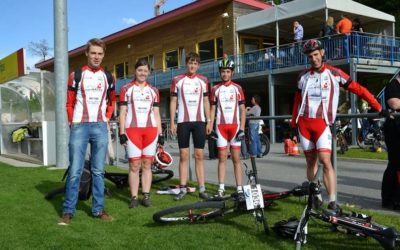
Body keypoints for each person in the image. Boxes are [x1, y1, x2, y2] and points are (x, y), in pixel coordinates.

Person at [290, 39, 382, 212]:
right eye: (310, 56)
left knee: (325, 161)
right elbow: (297, 101)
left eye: (316, 54)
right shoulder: (302, 76)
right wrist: (293, 123)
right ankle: (315, 194)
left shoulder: (335, 73)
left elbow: (358, 89)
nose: (314, 59)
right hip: (304, 123)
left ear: (322, 53)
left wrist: (378, 107)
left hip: (323, 124)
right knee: (310, 161)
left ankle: (332, 200)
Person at [60, 38, 116, 225]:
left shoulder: (108, 76)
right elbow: (69, 101)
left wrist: (106, 118)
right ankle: (68, 210)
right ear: (87, 53)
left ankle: (98, 209)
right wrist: (72, 121)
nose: (96, 57)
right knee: (75, 170)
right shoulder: (76, 75)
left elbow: (112, 101)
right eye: (93, 53)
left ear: (103, 55)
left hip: (99, 126)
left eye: (100, 53)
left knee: (98, 171)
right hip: (80, 126)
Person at [119, 59, 163, 208]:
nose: (142, 73)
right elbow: (123, 113)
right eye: (140, 70)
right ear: (135, 71)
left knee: (147, 164)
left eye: (145, 71)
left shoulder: (154, 91)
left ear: (149, 72)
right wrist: (121, 133)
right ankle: (134, 197)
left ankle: (146, 195)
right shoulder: (126, 89)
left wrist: (161, 134)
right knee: (134, 165)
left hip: (150, 132)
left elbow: (156, 114)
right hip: (132, 132)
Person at [170, 52, 212, 201]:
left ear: (198, 65)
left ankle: (202, 189)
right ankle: (182, 188)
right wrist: (172, 122)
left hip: (200, 122)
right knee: (183, 155)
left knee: (199, 156)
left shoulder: (203, 80)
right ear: (186, 64)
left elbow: (207, 101)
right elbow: (173, 102)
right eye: (190, 63)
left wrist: (209, 121)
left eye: (195, 63)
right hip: (183, 122)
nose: (192, 65)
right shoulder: (177, 80)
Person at [210, 59, 246, 198]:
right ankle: (221, 188)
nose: (225, 74)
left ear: (232, 72)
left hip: (235, 127)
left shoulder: (238, 88)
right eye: (223, 72)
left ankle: (239, 189)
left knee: (236, 158)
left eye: (227, 71)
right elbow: (213, 109)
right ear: (220, 73)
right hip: (220, 127)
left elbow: (243, 110)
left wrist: (242, 128)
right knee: (222, 158)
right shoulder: (215, 89)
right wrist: (210, 125)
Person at [382, 73, 400, 210]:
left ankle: (394, 198)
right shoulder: (393, 85)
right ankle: (389, 199)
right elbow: (394, 103)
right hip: (394, 130)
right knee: (395, 163)